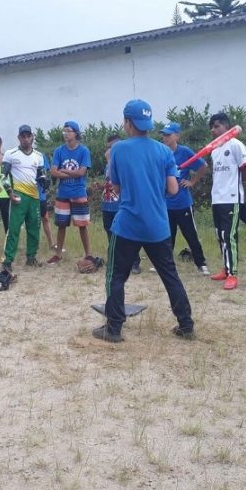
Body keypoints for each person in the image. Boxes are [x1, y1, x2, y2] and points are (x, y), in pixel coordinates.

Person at [93, 99, 194, 343]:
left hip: (128, 224)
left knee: (116, 276)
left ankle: (114, 328)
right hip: (158, 225)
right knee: (170, 276)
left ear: (128, 122)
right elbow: (172, 189)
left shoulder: (118, 150)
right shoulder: (164, 151)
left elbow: (116, 186)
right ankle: (186, 325)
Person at [160, 122, 209, 276]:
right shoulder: (161, 152)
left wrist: (192, 182)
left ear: (177, 136)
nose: (165, 137)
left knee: (191, 235)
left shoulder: (185, 152)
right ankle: (165, 264)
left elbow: (203, 166)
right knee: (167, 235)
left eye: (168, 134)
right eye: (164, 134)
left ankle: (201, 263)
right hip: (166, 203)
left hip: (183, 203)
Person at [209, 112, 246, 290]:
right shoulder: (214, 149)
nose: (213, 130)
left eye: (217, 126)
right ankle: (226, 269)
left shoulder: (236, 145)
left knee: (229, 236)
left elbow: (245, 170)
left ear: (226, 127)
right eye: (212, 127)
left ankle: (233, 274)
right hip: (216, 198)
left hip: (231, 198)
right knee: (220, 235)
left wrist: (244, 195)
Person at [2, 125, 46, 271]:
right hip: (18, 195)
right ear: (19, 138)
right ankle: (8, 260)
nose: (26, 139)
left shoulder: (39, 156)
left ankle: (31, 257)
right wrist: (9, 192)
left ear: (32, 137)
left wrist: (45, 182)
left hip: (34, 196)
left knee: (34, 228)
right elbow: (3, 176)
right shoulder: (11, 153)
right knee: (14, 229)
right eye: (23, 136)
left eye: (29, 136)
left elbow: (41, 175)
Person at [47, 121, 92, 264]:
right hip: (63, 193)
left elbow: (81, 172)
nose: (65, 134)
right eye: (64, 131)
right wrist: (73, 173)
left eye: (68, 131)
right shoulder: (59, 151)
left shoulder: (84, 151)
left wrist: (65, 171)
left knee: (82, 225)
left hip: (79, 192)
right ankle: (58, 254)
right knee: (61, 224)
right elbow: (53, 171)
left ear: (76, 133)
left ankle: (88, 254)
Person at [101, 134, 141, 274]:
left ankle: (135, 262)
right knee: (110, 233)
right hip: (107, 203)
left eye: (113, 147)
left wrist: (110, 160)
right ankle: (115, 260)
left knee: (128, 234)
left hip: (121, 204)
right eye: (109, 147)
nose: (110, 150)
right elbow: (108, 180)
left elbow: (118, 179)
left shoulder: (125, 162)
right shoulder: (108, 163)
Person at [39, 152, 55, 250]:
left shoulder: (40, 155)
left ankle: (51, 244)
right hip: (28, 195)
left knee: (45, 218)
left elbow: (47, 172)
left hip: (41, 194)